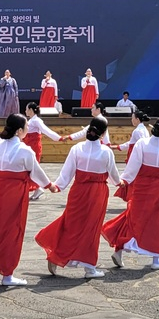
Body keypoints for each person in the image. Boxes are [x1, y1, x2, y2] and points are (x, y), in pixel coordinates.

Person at [0, 114, 58, 286]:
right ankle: (7, 274)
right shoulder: (25, 150)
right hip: (16, 193)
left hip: (0, 191)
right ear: (20, 130)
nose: (28, 129)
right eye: (26, 127)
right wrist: (49, 185)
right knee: (13, 232)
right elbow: (36, 172)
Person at [36, 117, 119, 279]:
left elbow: (66, 172)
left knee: (71, 224)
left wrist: (57, 186)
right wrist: (120, 183)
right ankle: (89, 268)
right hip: (97, 193)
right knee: (91, 229)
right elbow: (113, 174)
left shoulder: (77, 148)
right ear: (103, 134)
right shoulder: (106, 152)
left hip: (78, 191)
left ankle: (57, 255)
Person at [101, 118, 159, 270]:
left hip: (142, 187)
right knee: (157, 221)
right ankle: (155, 259)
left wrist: (124, 181)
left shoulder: (142, 144)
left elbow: (132, 167)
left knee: (133, 218)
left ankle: (119, 250)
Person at [23, 102, 62, 200]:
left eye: (27, 109)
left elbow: (46, 130)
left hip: (34, 147)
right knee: (29, 168)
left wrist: (58, 138)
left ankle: (38, 188)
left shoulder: (37, 120)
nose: (25, 111)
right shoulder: (31, 120)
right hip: (28, 146)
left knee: (33, 168)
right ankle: (37, 188)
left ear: (31, 110)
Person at [110, 110, 151, 202]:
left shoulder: (137, 131)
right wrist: (117, 147)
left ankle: (133, 197)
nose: (131, 120)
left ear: (137, 119)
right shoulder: (144, 130)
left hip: (135, 156)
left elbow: (137, 144)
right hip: (138, 155)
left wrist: (117, 147)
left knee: (132, 177)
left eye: (133, 118)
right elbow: (131, 143)